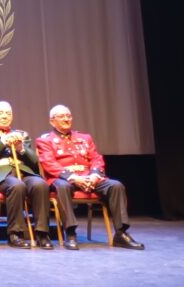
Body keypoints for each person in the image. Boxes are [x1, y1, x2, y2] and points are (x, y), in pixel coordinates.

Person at [36, 105, 144, 250]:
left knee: (115, 185)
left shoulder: (84, 138)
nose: (66, 119)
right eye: (61, 116)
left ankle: (121, 233)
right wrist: (74, 178)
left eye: (68, 116)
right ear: (52, 121)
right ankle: (71, 233)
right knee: (63, 187)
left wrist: (94, 175)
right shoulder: (45, 140)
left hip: (89, 178)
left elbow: (96, 158)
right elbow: (49, 164)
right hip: (64, 179)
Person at [0, 101, 53, 249]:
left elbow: (34, 161)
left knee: (40, 185)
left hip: (23, 172)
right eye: (0, 113)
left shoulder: (22, 135)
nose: (5, 116)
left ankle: (42, 233)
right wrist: (2, 142)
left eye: (8, 113)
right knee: (16, 186)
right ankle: (15, 234)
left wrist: (21, 148)